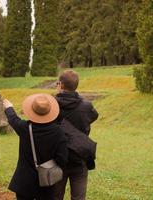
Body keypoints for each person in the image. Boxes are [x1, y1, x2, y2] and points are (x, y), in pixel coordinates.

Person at [3, 94, 68, 200]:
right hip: (47, 181)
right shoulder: (58, 132)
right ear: (50, 112)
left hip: (24, 181)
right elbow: (63, 159)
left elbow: (13, 119)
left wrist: (9, 107)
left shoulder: (24, 128)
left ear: (32, 111)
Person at [54, 70, 99, 200]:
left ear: (60, 85)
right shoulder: (86, 106)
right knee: (79, 197)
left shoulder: (52, 105)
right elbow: (94, 116)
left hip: (58, 157)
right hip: (80, 154)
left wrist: (58, 95)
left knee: (55, 196)